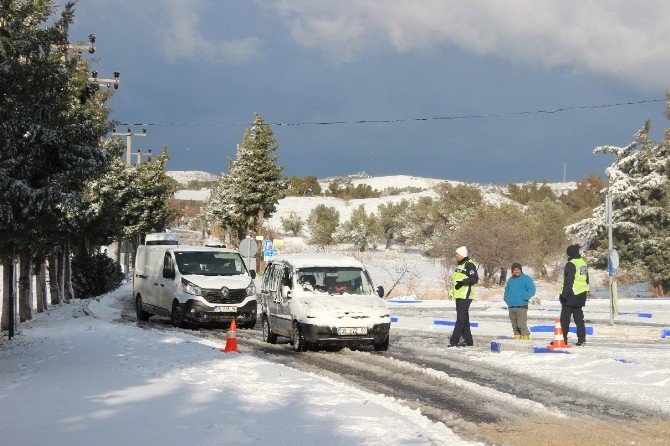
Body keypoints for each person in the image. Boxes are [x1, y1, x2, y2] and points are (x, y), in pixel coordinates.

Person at [559, 244, 590, 346]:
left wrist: (564, 295)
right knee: (579, 320)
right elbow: (586, 279)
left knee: (564, 320)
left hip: (571, 296)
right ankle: (582, 340)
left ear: (570, 253)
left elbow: (569, 281)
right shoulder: (583, 263)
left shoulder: (571, 264)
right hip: (581, 296)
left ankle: (563, 340)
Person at [448, 246, 479, 347]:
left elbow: (474, 279)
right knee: (464, 319)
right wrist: (452, 292)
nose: (455, 255)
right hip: (460, 296)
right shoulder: (460, 265)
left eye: (457, 254)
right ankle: (468, 341)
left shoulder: (469, 264)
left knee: (460, 319)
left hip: (466, 296)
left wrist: (462, 283)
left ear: (462, 254)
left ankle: (454, 342)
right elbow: (456, 281)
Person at [503, 263, 536, 340]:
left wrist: (524, 297)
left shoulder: (526, 278)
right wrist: (507, 299)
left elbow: (532, 289)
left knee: (521, 325)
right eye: (514, 269)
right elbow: (506, 291)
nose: (516, 271)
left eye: (518, 269)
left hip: (521, 306)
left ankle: (526, 341)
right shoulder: (510, 280)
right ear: (512, 271)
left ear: (520, 270)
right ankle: (517, 342)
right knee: (515, 326)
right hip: (511, 306)